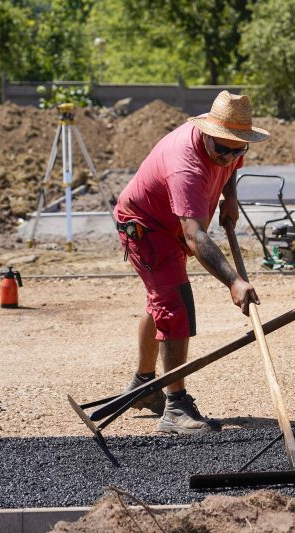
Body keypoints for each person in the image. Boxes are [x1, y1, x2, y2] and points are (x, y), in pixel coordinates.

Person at [114, 91, 269, 435]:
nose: (229, 157)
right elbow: (195, 236)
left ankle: (144, 385)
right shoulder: (185, 163)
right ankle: (175, 407)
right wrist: (233, 281)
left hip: (172, 223)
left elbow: (231, 166)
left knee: (161, 302)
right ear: (207, 134)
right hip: (147, 227)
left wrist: (231, 198)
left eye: (237, 149)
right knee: (175, 307)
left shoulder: (229, 139)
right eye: (222, 150)